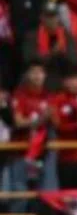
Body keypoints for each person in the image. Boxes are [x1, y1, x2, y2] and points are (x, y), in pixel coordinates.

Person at [10, 61, 50, 190]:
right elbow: (18, 122)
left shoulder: (49, 96)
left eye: (40, 72)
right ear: (27, 75)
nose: (37, 76)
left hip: (44, 152)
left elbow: (55, 121)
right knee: (20, 193)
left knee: (43, 190)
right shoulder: (19, 95)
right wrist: (38, 121)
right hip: (21, 151)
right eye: (33, 72)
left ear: (45, 75)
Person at [23, 3, 77, 91]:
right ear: (42, 18)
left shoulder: (67, 36)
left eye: (54, 16)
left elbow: (74, 60)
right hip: (40, 77)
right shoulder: (32, 36)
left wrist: (61, 53)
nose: (51, 20)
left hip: (61, 74)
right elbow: (28, 58)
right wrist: (51, 53)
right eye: (48, 17)